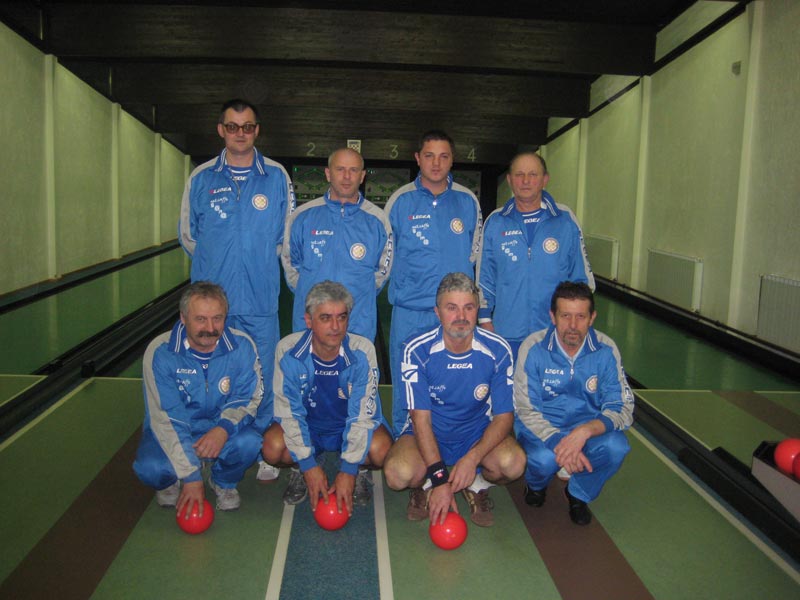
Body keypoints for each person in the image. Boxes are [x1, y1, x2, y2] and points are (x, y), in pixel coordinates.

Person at [178, 98, 295, 482]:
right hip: (213, 305)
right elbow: (189, 236)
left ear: (256, 130)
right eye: (232, 126)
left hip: (260, 299)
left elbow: (285, 236)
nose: (240, 133)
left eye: (247, 127)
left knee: (262, 372)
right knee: (209, 372)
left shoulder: (276, 176)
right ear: (221, 130)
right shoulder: (202, 178)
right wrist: (217, 269)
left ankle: (259, 446)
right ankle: (207, 441)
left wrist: (255, 265)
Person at [383, 273, 526, 527]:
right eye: (452, 308)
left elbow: (504, 417)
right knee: (397, 474)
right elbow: (421, 420)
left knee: (514, 464)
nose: (461, 316)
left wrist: (473, 458)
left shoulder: (498, 349)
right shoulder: (416, 349)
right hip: (429, 432)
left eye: (468, 307)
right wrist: (440, 479)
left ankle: (476, 483)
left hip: (476, 433)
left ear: (477, 310)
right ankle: (429, 482)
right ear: (437, 312)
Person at [262, 280, 393, 515]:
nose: (335, 326)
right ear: (309, 320)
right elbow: (288, 413)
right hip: (310, 428)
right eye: (325, 318)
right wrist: (307, 465)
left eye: (342, 317)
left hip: (347, 426)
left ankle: (359, 469)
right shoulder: (287, 350)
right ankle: (303, 465)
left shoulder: (362, 350)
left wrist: (349, 469)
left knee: (382, 450)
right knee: (272, 448)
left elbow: (363, 415)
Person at [133, 282, 263, 516]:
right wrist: (191, 476)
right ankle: (173, 478)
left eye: (217, 318)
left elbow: (247, 397)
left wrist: (223, 429)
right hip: (178, 428)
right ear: (183, 318)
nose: (210, 328)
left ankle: (222, 481)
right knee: (150, 468)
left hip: (220, 428)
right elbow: (167, 417)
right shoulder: (161, 351)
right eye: (201, 319)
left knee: (250, 442)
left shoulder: (242, 345)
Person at [385, 130, 482, 435]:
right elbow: (385, 255)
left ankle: (454, 438)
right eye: (429, 156)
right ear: (418, 158)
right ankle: (404, 439)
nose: (436, 163)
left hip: (456, 314)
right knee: (406, 382)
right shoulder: (400, 201)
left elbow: (477, 256)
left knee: (456, 382)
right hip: (410, 312)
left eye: (443, 156)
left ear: (452, 160)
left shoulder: (467, 201)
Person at [514, 281, 634, 525]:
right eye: (565, 315)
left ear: (592, 318)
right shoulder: (533, 348)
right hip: (542, 430)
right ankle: (536, 485)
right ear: (552, 317)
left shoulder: (606, 350)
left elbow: (622, 407)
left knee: (617, 447)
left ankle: (578, 493)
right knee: (545, 460)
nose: (572, 325)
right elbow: (526, 408)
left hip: (587, 428)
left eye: (580, 316)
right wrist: (561, 443)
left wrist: (585, 432)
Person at [477, 152, 594, 359]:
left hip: (555, 334)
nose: (525, 180)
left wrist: (574, 324)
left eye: (533, 174)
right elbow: (484, 278)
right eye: (519, 174)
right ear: (509, 180)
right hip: (506, 333)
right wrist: (485, 322)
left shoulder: (565, 220)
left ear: (544, 179)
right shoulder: (495, 222)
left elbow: (581, 279)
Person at [282, 148, 393, 342]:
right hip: (311, 324)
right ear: (328, 173)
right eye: (340, 169)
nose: (347, 176)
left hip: (358, 323)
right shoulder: (302, 216)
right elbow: (291, 266)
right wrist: (311, 294)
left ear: (362, 176)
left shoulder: (377, 220)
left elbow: (382, 271)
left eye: (353, 170)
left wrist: (360, 292)